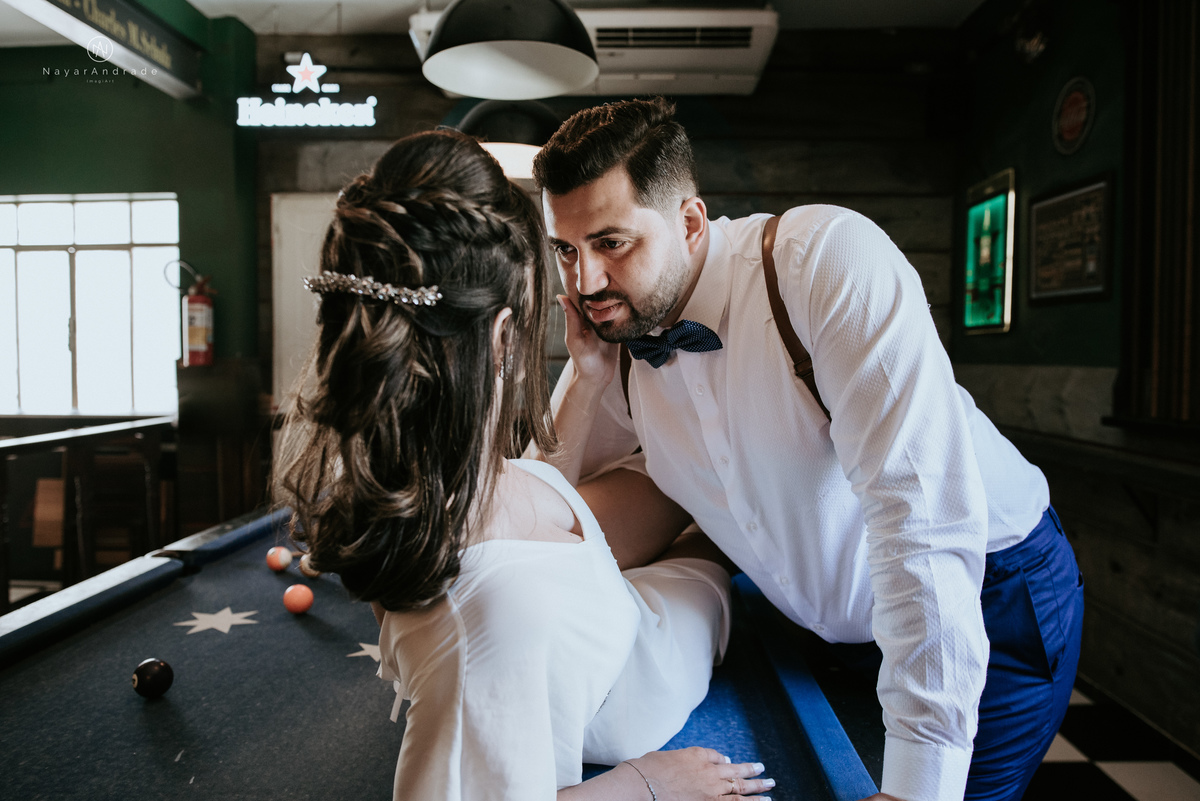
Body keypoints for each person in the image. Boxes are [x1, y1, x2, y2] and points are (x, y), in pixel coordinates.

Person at [528, 98, 1084, 801]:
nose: (586, 284)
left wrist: (919, 787)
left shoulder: (822, 264)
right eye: (566, 251)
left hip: (986, 593)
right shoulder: (623, 338)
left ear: (690, 221)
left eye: (611, 243)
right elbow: (539, 516)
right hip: (836, 628)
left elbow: (921, 525)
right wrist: (584, 371)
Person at [272, 129, 776, 801]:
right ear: (505, 334)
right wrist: (647, 783)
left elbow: (539, 498)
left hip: (609, 604)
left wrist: (593, 378)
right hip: (648, 661)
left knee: (688, 488)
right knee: (710, 535)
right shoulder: (495, 611)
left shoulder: (431, 484)